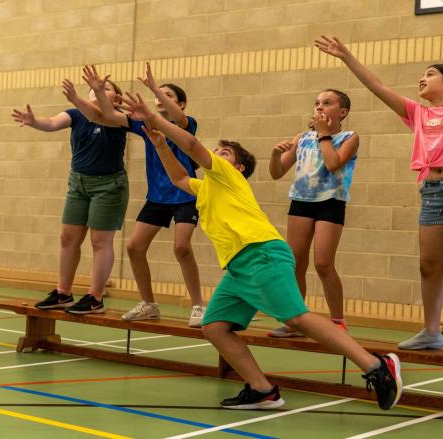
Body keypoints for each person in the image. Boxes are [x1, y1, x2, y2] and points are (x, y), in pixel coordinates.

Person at [121, 92, 402, 410]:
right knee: (215, 326)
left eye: (224, 153)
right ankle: (262, 389)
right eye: (217, 151)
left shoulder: (226, 176)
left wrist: (154, 117)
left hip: (260, 254)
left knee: (297, 318)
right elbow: (179, 177)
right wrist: (159, 144)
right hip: (239, 267)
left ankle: (376, 366)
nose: (216, 154)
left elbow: (191, 147)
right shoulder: (206, 187)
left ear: (237, 167)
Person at [315, 21, 443, 362]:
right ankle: (431, 331)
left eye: (430, 74)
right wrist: (347, 57)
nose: (422, 79)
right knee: (429, 265)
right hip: (432, 192)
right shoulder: (416, 113)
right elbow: (377, 86)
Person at [80, 64, 204, 327]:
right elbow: (109, 116)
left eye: (169, 96)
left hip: (186, 194)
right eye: (161, 96)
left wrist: (155, 88)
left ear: (181, 104)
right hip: (157, 197)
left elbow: (177, 117)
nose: (161, 99)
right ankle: (148, 303)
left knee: (182, 248)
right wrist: (99, 92)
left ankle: (197, 305)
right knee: (134, 247)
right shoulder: (145, 126)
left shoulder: (186, 124)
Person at [12, 77, 128, 315]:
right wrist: (34, 122)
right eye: (94, 89)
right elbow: (53, 123)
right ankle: (63, 292)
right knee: (68, 237)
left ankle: (95, 297)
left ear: (116, 99)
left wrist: (85, 97)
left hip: (108, 185)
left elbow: (102, 115)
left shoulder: (117, 117)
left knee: (99, 241)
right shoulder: (75, 114)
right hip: (78, 183)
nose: (97, 90)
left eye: (105, 88)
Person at [267, 89, 359, 337]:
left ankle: (338, 321)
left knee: (323, 263)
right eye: (317, 103)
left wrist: (324, 135)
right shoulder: (302, 137)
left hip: (331, 201)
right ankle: (296, 320)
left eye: (327, 103)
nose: (319, 107)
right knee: (295, 262)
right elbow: (277, 172)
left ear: (342, 112)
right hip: (301, 201)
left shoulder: (349, 137)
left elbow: (333, 163)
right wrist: (276, 154)